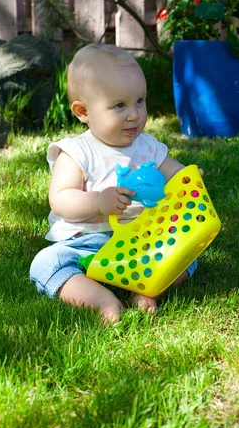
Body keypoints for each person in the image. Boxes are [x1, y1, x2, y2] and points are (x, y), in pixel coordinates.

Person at [30, 44, 198, 323]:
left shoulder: (148, 147)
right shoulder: (76, 152)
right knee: (46, 263)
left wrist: (190, 176)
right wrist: (97, 202)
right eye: (119, 105)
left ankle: (145, 291)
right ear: (83, 112)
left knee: (187, 255)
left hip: (143, 239)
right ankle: (103, 301)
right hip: (88, 244)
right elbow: (60, 198)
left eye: (139, 102)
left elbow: (176, 173)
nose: (133, 114)